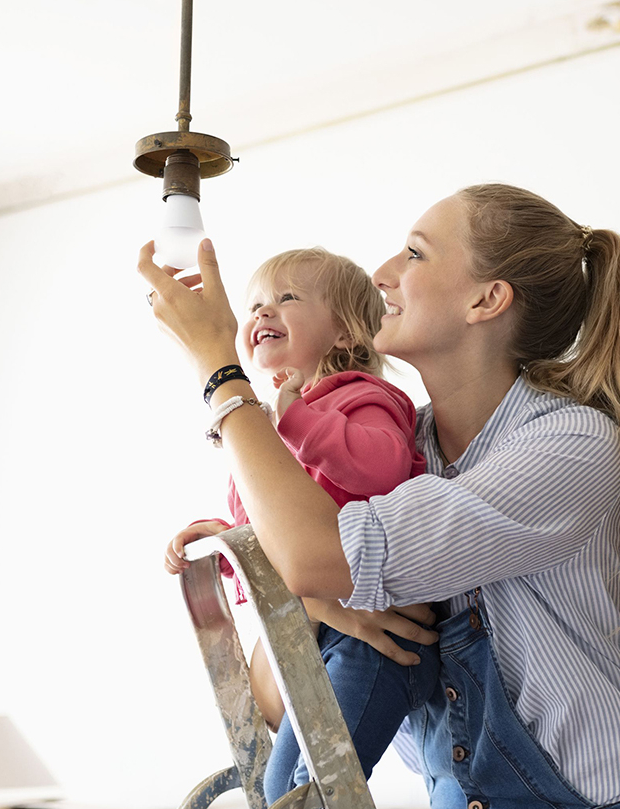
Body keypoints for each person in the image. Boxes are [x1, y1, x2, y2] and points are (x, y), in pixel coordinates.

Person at [139, 183, 620, 809]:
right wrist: (317, 608)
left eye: (414, 254)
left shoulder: (570, 446)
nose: (382, 274)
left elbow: (315, 556)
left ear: (487, 299)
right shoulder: (397, 450)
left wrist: (217, 368)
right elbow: (276, 702)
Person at [159, 248, 440, 803]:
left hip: (374, 640)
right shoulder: (263, 430)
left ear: (344, 334)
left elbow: (380, 466)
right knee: (278, 786)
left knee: (307, 791)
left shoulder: (364, 396)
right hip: (319, 632)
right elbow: (271, 539)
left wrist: (296, 422)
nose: (263, 313)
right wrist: (227, 540)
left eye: (287, 298)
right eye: (255, 304)